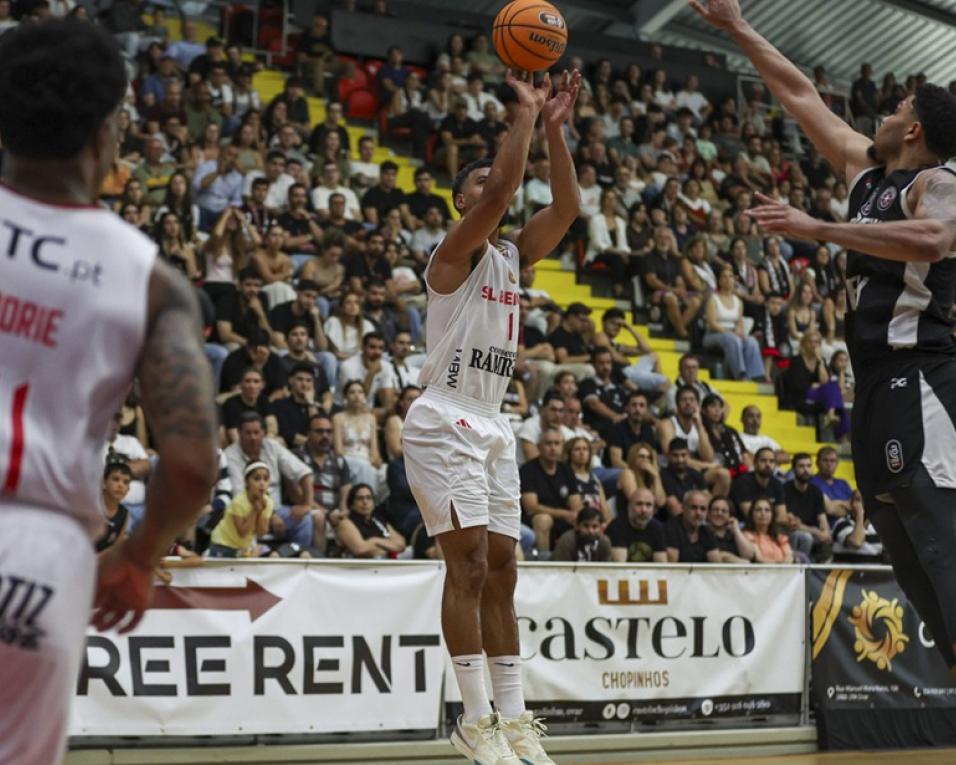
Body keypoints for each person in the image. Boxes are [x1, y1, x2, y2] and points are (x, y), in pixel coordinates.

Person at [698, 0, 956, 671]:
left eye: (898, 106)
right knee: (908, 557)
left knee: (942, 544)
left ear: (914, 128)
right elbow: (799, 94)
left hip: (922, 374)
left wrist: (818, 229)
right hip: (871, 383)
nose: (885, 112)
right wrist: (738, 26)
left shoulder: (938, 182)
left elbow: (934, 239)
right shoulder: (866, 172)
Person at [0, 21, 218, 764]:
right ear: (107, 133)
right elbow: (190, 465)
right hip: (35, 558)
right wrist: (139, 555)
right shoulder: (151, 280)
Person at [401, 69, 582, 764]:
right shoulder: (452, 253)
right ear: (460, 201)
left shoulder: (512, 255)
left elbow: (566, 207)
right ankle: (474, 721)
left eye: (490, 182)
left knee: (504, 569)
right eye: (476, 184)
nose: (491, 190)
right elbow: (505, 189)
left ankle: (514, 720)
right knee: (470, 563)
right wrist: (527, 112)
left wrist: (556, 131)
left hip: (493, 420)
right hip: (443, 416)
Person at [703, 267, 768, 382]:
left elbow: (739, 322)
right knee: (732, 339)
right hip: (714, 334)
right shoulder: (713, 299)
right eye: (724, 277)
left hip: (732, 333)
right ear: (719, 281)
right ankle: (740, 373)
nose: (728, 280)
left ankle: (756, 375)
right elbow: (712, 323)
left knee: (751, 341)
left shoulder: (738, 302)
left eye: (730, 277)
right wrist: (730, 332)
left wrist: (740, 332)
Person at [207, 461, 273, 557]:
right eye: (257, 479)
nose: (262, 483)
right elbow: (242, 532)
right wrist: (254, 510)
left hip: (241, 547)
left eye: (265, 479)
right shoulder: (239, 501)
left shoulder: (268, 503)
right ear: (246, 482)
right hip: (222, 544)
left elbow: (261, 533)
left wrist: (260, 511)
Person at [335, 483, 406, 558]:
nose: (365, 502)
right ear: (351, 504)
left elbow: (401, 544)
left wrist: (374, 541)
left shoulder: (378, 520)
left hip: (385, 560)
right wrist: (390, 546)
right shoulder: (345, 523)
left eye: (368, 498)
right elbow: (360, 550)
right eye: (360, 498)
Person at [784, 452, 832, 562]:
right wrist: (816, 532)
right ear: (793, 469)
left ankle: (819, 570)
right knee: (805, 537)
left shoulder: (816, 491)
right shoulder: (785, 490)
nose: (806, 470)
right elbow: (792, 524)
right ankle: (801, 568)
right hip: (791, 532)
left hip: (812, 532)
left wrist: (825, 532)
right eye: (801, 466)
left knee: (828, 538)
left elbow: (822, 518)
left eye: (808, 466)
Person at [607, 489, 668, 563]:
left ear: (654, 509)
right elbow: (619, 565)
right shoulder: (617, 527)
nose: (644, 510)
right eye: (639, 504)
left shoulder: (658, 529)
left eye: (648, 505)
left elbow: (661, 565)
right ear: (629, 506)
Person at [665, 490, 721, 563]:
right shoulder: (671, 528)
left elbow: (716, 564)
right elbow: (672, 566)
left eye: (703, 509)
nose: (698, 513)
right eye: (694, 507)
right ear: (683, 508)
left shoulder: (706, 530)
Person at [96, 460, 133, 554]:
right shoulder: (91, 507)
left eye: (125, 482)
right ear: (104, 483)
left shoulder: (125, 513)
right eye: (116, 479)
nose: (121, 485)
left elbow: (116, 549)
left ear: (128, 490)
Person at [743, 497, 794, 564]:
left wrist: (782, 565)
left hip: (783, 570)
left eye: (767, 510)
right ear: (752, 514)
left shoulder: (780, 537)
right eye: (758, 510)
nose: (763, 513)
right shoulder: (747, 535)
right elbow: (759, 559)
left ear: (772, 515)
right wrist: (779, 564)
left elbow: (789, 557)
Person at [706, 495, 756, 563]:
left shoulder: (734, 534)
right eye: (715, 510)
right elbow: (718, 556)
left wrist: (736, 530)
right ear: (708, 513)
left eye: (724, 511)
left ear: (730, 515)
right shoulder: (703, 532)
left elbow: (749, 555)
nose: (719, 513)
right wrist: (741, 562)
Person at [810, 446, 854, 520]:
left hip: (849, 522)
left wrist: (835, 504)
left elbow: (855, 506)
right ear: (817, 463)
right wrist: (845, 505)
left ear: (837, 464)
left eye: (832, 461)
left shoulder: (843, 483)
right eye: (825, 460)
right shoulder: (811, 483)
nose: (829, 464)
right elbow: (829, 509)